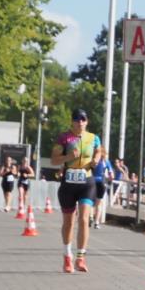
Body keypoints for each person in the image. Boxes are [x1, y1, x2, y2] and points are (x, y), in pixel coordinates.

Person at [51, 109, 102, 273]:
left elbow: (99, 150)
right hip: (68, 183)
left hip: (86, 182)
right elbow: (53, 160)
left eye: (83, 119)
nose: (80, 122)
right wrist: (67, 157)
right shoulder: (64, 138)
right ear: (71, 121)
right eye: (76, 119)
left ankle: (81, 257)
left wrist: (96, 159)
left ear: (87, 121)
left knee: (84, 219)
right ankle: (67, 256)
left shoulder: (93, 138)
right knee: (69, 222)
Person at [92, 153, 112, 228]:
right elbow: (111, 175)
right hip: (102, 182)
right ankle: (96, 222)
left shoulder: (93, 160)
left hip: (92, 181)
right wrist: (109, 180)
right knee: (99, 203)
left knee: (90, 201)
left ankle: (90, 217)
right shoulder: (106, 162)